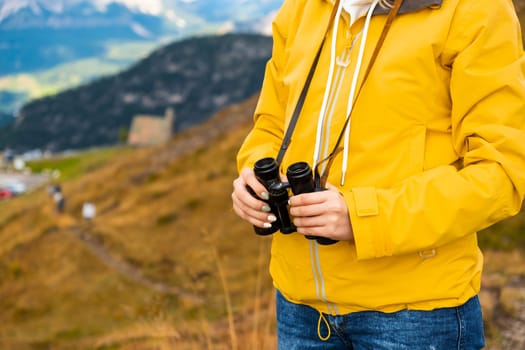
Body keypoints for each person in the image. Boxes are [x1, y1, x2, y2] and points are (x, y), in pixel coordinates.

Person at [231, 0, 525, 348]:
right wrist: (254, 173)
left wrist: (363, 218)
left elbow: (502, 172)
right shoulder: (302, 8)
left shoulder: (473, 10)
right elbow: (272, 124)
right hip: (300, 307)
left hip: (415, 316)